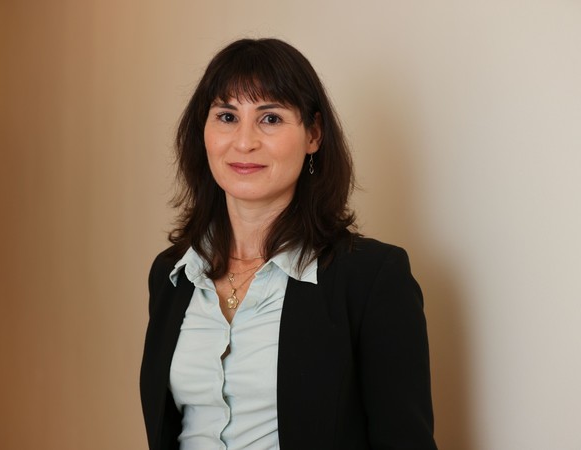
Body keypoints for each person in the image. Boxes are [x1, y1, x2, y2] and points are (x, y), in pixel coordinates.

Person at [140, 38, 437, 450]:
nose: (244, 141)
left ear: (313, 133)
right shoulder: (173, 275)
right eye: (227, 116)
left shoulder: (372, 278)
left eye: (270, 118)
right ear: (202, 132)